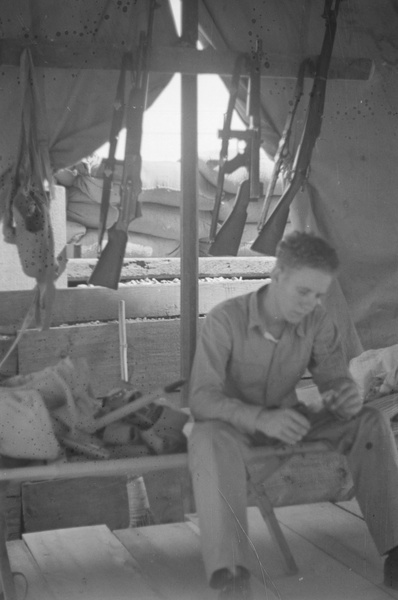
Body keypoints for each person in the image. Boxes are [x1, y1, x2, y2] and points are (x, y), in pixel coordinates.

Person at [188, 231, 398, 599]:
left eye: (319, 295)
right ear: (277, 276)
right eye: (303, 292)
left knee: (369, 420)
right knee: (208, 438)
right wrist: (259, 418)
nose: (311, 303)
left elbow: (333, 378)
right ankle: (233, 573)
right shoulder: (225, 320)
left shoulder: (316, 320)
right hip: (232, 425)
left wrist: (345, 394)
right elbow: (202, 398)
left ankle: (397, 551)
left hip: (289, 418)